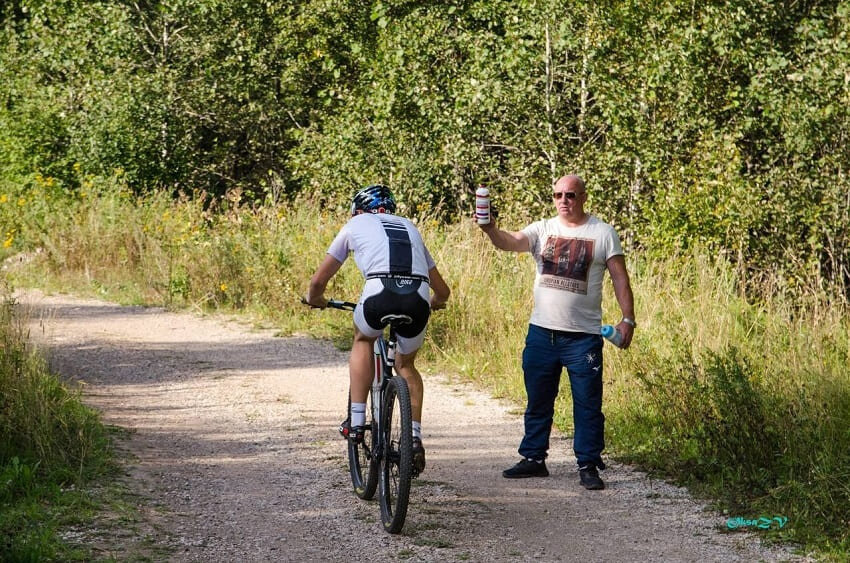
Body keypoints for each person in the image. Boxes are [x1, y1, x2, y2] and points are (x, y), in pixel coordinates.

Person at [477, 174, 635, 490]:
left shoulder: (603, 233)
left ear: (583, 197)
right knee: (538, 399)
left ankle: (588, 464)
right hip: (541, 333)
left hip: (583, 337)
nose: (564, 200)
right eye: (558, 195)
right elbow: (510, 242)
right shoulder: (543, 228)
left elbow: (619, 277)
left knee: (587, 403)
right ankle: (534, 459)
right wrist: (490, 228)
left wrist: (627, 320)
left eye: (571, 195)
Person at [305, 184, 450, 474]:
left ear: (358, 209)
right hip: (417, 297)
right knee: (405, 364)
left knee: (363, 339)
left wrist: (315, 299)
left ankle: (357, 423)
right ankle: (414, 438)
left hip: (378, 292)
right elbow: (443, 290)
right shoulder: (410, 227)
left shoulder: (354, 224)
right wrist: (436, 302)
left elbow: (319, 281)